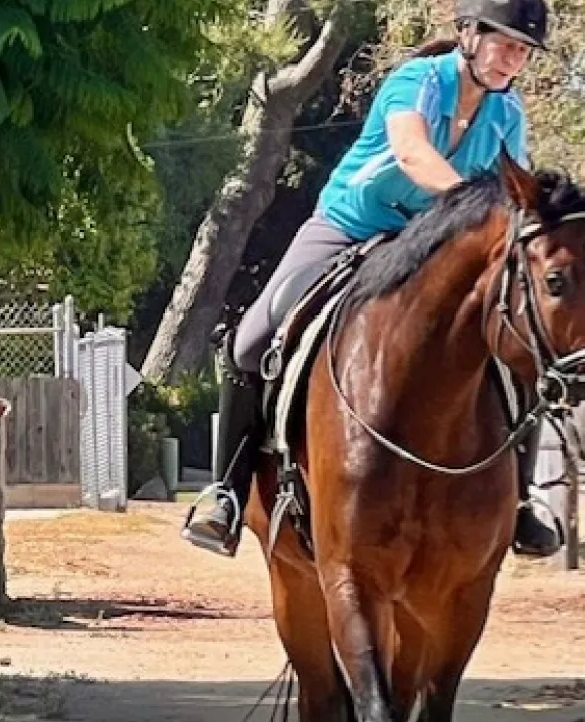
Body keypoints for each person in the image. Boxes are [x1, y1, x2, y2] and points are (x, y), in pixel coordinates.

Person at [182, 0, 564, 559]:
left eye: (523, 51)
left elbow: (513, 188)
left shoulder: (508, 114)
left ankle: (522, 499)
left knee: (515, 337)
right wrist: (473, 208)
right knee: (250, 343)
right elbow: (412, 154)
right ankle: (227, 495)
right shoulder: (416, 81)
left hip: (431, 246)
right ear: (468, 34)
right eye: (505, 43)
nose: (514, 59)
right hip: (351, 226)